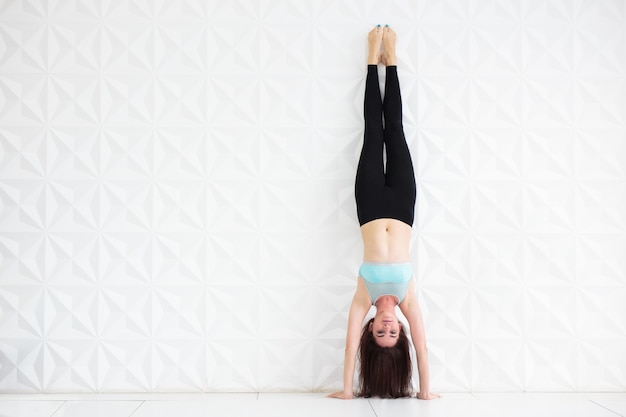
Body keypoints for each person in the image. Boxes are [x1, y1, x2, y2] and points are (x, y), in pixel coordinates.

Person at [327, 25, 439, 400]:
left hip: (371, 205)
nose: (388, 327)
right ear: (401, 331)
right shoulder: (408, 299)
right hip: (403, 207)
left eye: (380, 333)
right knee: (396, 130)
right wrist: (425, 393)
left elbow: (348, 349)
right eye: (394, 333)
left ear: (371, 327)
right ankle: (390, 63)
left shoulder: (364, 295)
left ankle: (371, 59)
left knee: (373, 133)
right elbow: (422, 350)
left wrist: (347, 391)